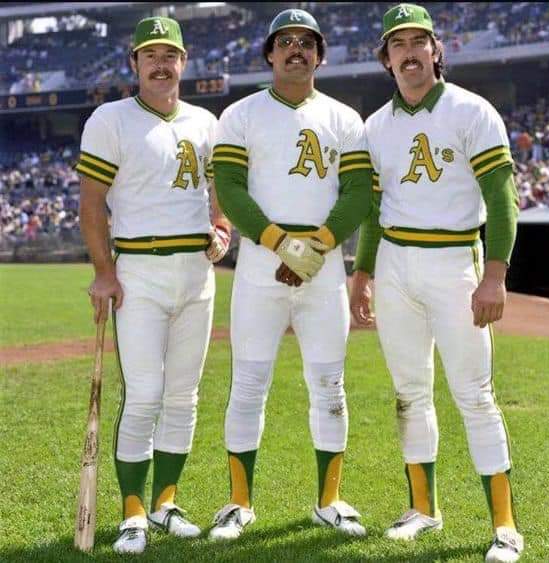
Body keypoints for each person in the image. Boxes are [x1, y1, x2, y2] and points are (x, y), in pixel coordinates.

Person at [350, 4, 524, 563]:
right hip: (397, 264)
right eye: (397, 44)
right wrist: (363, 274)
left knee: (474, 394)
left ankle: (505, 526)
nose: (409, 52)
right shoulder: (375, 126)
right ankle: (423, 509)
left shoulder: (473, 111)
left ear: (436, 50)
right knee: (409, 391)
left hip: (455, 262)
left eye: (418, 41)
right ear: (386, 59)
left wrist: (494, 274)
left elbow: (502, 198)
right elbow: (375, 212)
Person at [209, 8, 372, 541]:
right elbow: (230, 190)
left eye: (307, 43)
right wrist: (282, 244)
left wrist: (316, 248)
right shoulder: (241, 114)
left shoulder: (346, 119)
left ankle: (330, 500)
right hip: (262, 258)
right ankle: (238, 504)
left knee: (329, 385)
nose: (297, 50)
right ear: (271, 54)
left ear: (320, 55)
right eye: (286, 42)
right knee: (249, 384)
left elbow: (357, 195)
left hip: (322, 266)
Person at [77, 16, 231, 555]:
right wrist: (103, 271)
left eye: (170, 55)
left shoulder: (206, 122)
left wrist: (222, 230)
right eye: (150, 56)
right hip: (139, 270)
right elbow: (92, 203)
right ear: (136, 65)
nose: (161, 65)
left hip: (196, 273)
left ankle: (165, 502)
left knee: (183, 396)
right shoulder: (109, 119)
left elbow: (219, 196)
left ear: (184, 62)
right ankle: (133, 512)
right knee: (143, 395)